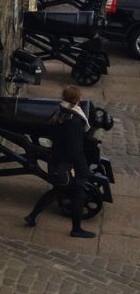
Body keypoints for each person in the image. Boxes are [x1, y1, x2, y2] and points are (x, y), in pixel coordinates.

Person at [24, 85, 96, 238]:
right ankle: (76, 229)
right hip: (68, 164)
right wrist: (82, 167)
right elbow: (75, 148)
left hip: (58, 161)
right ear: (76, 100)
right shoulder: (74, 121)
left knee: (58, 190)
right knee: (78, 194)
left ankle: (32, 216)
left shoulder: (60, 113)